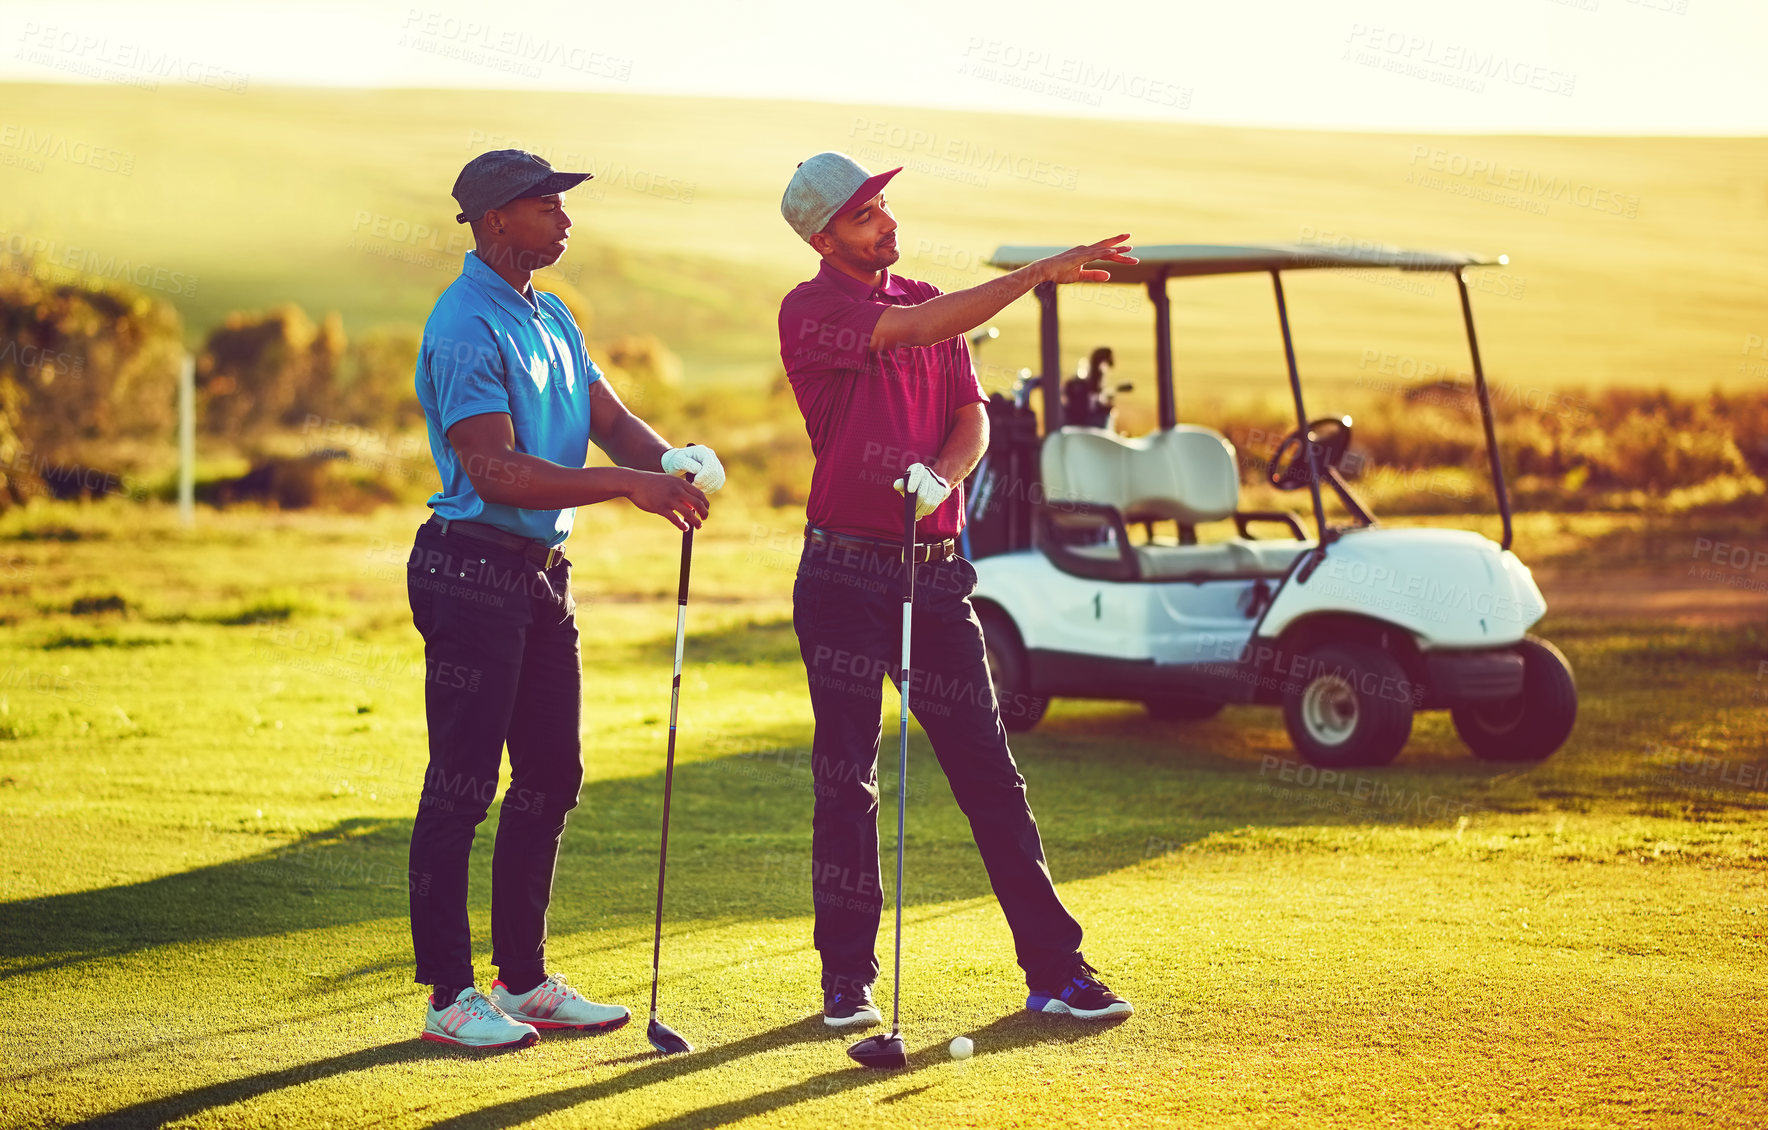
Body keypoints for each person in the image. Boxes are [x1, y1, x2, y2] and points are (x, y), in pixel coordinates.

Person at [776, 151, 1137, 1028]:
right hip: (843, 578)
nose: (887, 224)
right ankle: (846, 980)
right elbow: (914, 334)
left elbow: (971, 412)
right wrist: (1041, 275)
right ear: (824, 237)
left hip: (933, 581)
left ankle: (1058, 970)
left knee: (991, 776)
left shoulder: (921, 296)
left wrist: (944, 473)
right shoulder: (813, 309)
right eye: (866, 216)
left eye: (886, 207)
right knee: (847, 780)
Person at [407, 149, 726, 1049]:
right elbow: (496, 467)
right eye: (547, 204)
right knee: (462, 785)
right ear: (496, 219)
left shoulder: (552, 316)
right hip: (470, 569)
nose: (565, 218)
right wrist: (627, 486)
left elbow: (609, 417)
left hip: (538, 575)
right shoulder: (465, 323)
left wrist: (667, 460)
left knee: (551, 774)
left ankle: (523, 977)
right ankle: (448, 996)